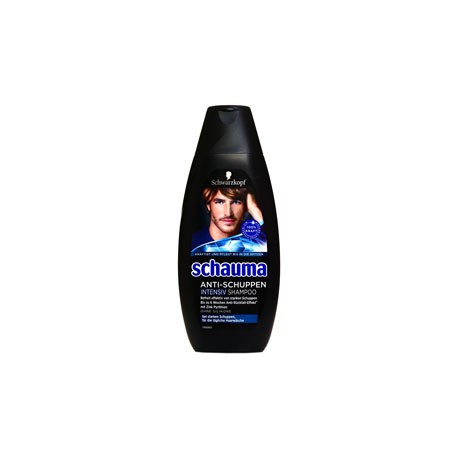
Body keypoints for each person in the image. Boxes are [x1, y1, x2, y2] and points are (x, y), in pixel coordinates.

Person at [191, 186, 266, 253]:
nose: (228, 213)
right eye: (219, 202)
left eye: (236, 202)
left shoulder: (256, 242)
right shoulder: (193, 245)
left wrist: (254, 209)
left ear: (246, 206)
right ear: (208, 206)